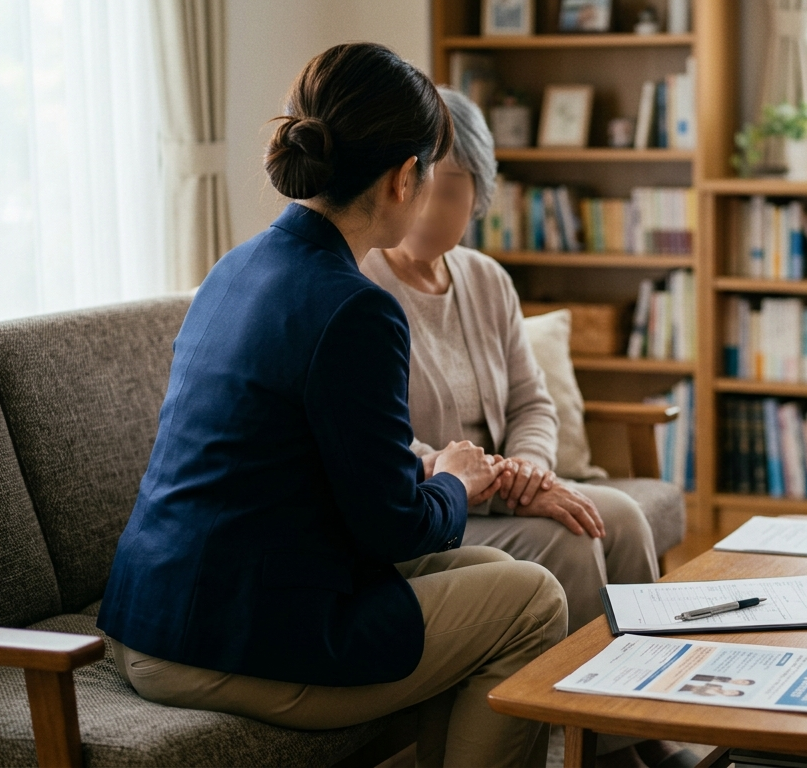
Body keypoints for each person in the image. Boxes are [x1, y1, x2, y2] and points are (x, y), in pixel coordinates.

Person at [97, 43, 567, 768]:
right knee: (533, 602)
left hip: (146, 619)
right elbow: (394, 529)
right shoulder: (356, 310)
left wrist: (434, 477)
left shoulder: (237, 266)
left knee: (491, 576)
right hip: (237, 644)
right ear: (406, 178)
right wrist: (456, 478)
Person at [359, 86, 682, 768]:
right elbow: (385, 444)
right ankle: (602, 747)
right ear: (398, 181)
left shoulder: (486, 280)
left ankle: (634, 723)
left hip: (504, 486)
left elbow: (534, 403)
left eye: (451, 189)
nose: (429, 206)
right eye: (419, 183)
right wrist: (513, 485)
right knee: (568, 543)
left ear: (480, 195)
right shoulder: (362, 289)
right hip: (437, 504)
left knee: (621, 517)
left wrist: (531, 468)